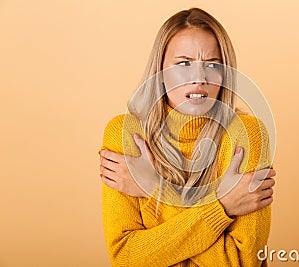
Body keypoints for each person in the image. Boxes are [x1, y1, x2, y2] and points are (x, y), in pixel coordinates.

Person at [98, 7, 277, 267]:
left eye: (212, 65)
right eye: (183, 64)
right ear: (159, 71)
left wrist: (154, 190)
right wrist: (221, 207)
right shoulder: (125, 134)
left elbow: (240, 262)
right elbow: (126, 258)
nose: (199, 78)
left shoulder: (248, 136)